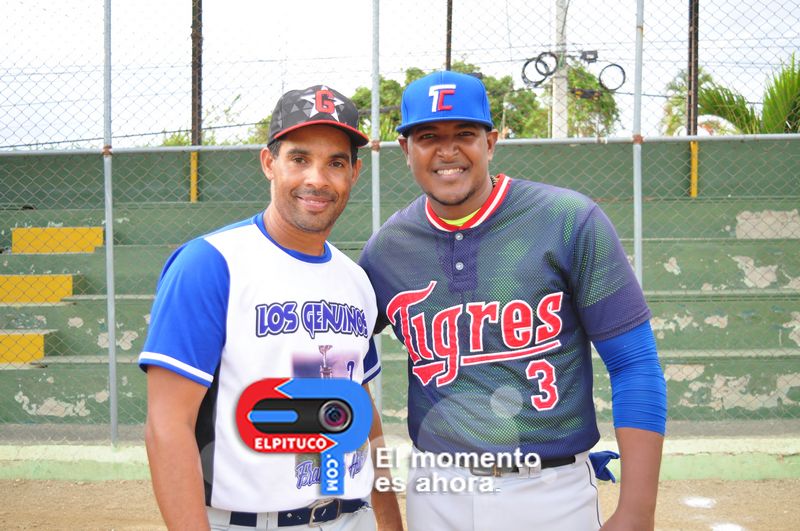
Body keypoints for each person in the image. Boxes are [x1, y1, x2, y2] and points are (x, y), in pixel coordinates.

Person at [358, 70, 667, 530]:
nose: (447, 151)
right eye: (428, 137)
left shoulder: (567, 219)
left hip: (551, 489)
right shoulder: (387, 250)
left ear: (490, 142)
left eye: (464, 134)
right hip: (437, 489)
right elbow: (343, 364)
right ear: (406, 149)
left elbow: (634, 364)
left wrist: (637, 512)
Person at [139, 85, 402, 531]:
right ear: (269, 163)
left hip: (350, 517)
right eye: (299, 158)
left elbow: (362, 410)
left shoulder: (356, 280)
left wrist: (389, 521)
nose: (317, 179)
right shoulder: (211, 263)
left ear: (354, 173)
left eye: (336, 163)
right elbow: (167, 425)